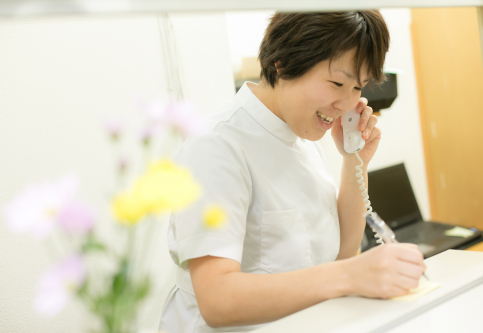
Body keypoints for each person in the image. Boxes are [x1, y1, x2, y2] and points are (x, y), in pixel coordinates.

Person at [159, 11, 426, 333]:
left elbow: (342, 252)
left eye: (358, 87)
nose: (347, 102)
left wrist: (355, 160)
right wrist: (351, 275)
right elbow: (218, 301)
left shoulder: (298, 133)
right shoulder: (215, 147)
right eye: (337, 83)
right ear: (282, 63)